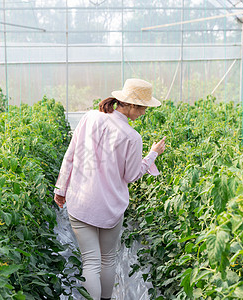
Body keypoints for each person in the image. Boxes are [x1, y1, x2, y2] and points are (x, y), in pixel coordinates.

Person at [54, 78, 166, 300]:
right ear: (132, 105)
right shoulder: (132, 137)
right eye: (143, 108)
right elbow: (131, 175)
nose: (144, 112)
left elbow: (71, 154)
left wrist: (61, 188)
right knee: (107, 259)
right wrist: (153, 154)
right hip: (110, 208)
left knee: (90, 261)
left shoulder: (90, 117)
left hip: (81, 201)